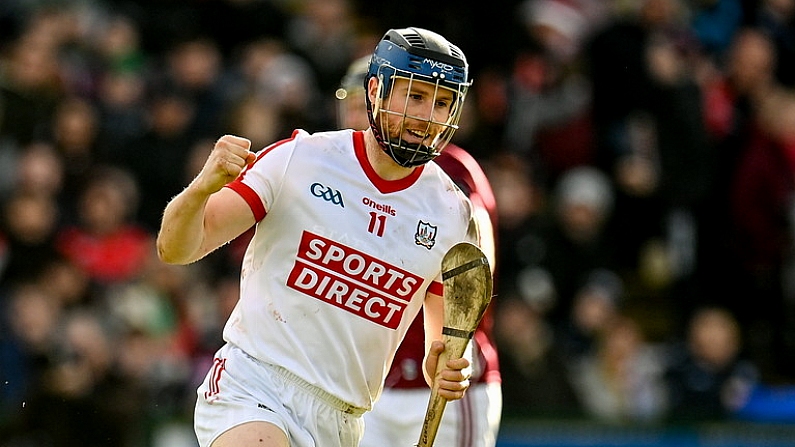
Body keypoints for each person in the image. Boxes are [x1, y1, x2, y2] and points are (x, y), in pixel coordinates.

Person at [156, 27, 478, 447]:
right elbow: (177, 249)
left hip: (343, 419)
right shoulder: (301, 158)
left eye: (442, 102)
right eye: (415, 96)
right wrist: (203, 188)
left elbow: (441, 345)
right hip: (254, 384)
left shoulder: (451, 212)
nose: (427, 115)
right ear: (376, 90)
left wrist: (448, 366)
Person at [335, 56, 502, 447]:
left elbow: (475, 262)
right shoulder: (332, 169)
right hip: (364, 383)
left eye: (365, 104)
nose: (358, 115)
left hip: (441, 381)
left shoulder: (448, 170)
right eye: (351, 103)